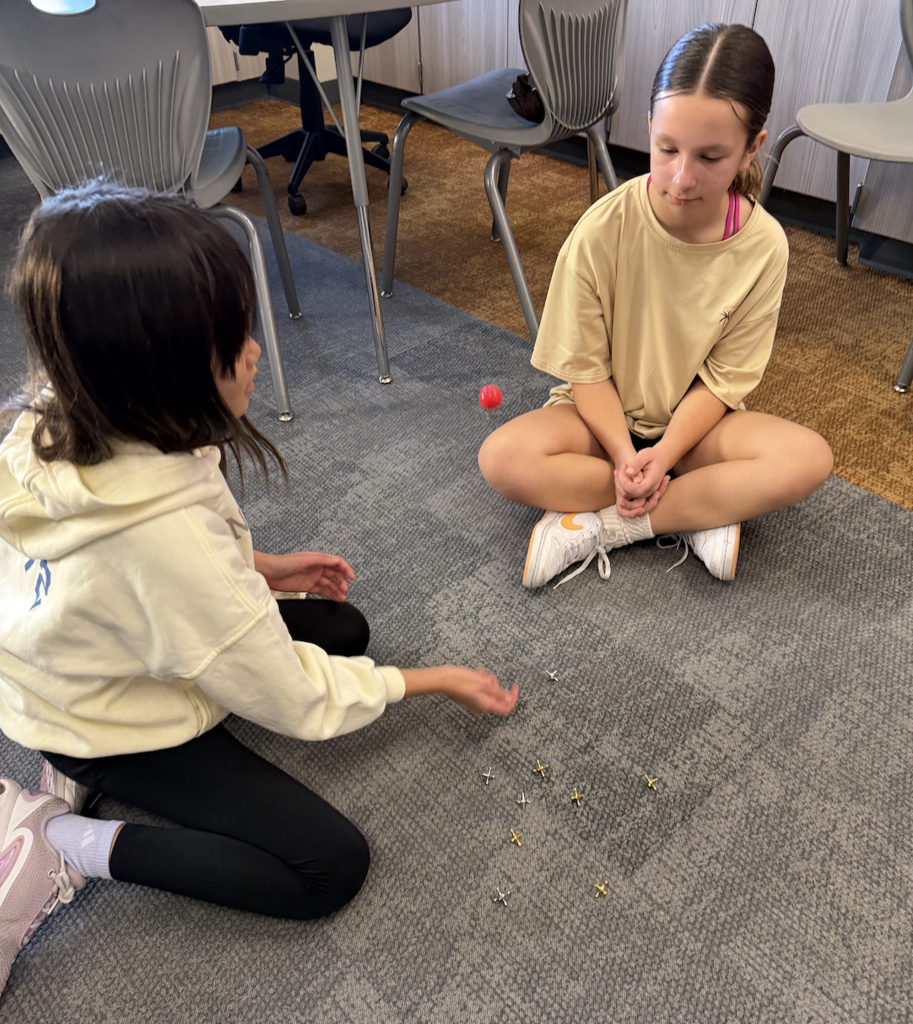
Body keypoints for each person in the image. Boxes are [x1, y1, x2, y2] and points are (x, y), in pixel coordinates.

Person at [0, 182, 518, 995]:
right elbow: (292, 699)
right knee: (328, 868)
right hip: (100, 722)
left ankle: (80, 777)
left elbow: (139, 564)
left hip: (70, 659)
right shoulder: (164, 543)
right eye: (228, 338)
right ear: (158, 370)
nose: (251, 351)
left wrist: (262, 568)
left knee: (341, 627)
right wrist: (428, 682)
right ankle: (67, 845)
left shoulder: (73, 408)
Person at [479, 23, 834, 589]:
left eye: (712, 156)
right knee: (502, 458)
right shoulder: (603, 229)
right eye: (667, 149)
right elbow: (587, 371)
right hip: (597, 421)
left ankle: (611, 524)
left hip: (694, 432)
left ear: (752, 149)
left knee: (808, 459)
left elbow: (722, 385)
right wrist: (626, 456)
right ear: (649, 130)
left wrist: (664, 455)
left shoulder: (765, 247)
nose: (682, 178)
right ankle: (695, 511)